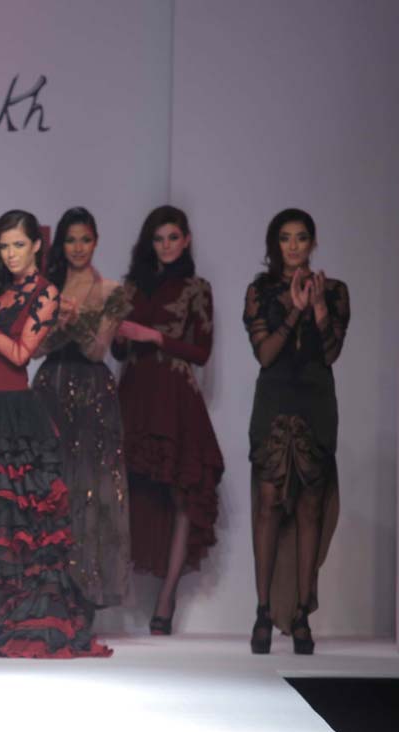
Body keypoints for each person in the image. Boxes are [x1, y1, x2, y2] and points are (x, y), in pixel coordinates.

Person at [0, 210, 109, 658]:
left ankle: (8, 625)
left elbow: (19, 354)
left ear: (35, 246)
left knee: (13, 521)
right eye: (4, 246)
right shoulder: (0, 290)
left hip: (13, 410)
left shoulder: (46, 293)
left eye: (18, 245)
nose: (10, 254)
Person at [113, 206, 224, 634]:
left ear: (186, 240)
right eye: (159, 238)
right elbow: (118, 351)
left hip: (175, 395)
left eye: (173, 237)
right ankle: (112, 595)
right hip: (136, 392)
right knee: (122, 490)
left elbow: (202, 352)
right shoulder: (130, 287)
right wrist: (117, 334)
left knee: (183, 492)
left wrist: (154, 336)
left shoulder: (197, 288)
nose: (166, 246)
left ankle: (166, 600)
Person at [243, 208, 349, 655]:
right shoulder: (260, 291)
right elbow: (265, 355)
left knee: (310, 508)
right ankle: (263, 612)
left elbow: (331, 354)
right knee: (268, 505)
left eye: (301, 237)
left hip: (315, 402)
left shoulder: (335, 291)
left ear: (312, 243)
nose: (293, 246)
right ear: (275, 244)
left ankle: (303, 613)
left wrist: (319, 307)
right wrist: (293, 310)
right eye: (285, 238)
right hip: (274, 402)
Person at [31, 207, 131, 610]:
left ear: (96, 241)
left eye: (85, 239)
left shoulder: (111, 291)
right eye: (71, 240)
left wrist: (74, 323)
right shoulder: (46, 288)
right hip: (50, 389)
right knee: (51, 486)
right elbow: (34, 349)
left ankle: (85, 595)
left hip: (92, 394)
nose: (78, 248)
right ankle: (46, 593)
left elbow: (96, 350)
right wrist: (56, 324)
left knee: (92, 488)